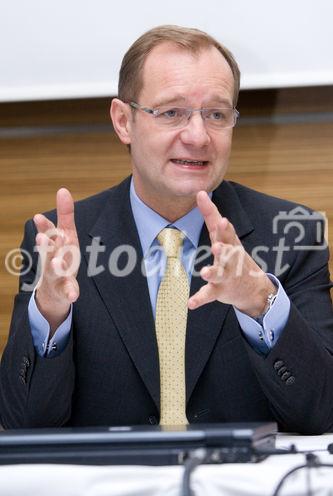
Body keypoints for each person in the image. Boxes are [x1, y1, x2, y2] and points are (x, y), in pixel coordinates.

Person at [0, 25, 332, 433]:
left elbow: (323, 414)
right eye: (171, 112)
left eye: (216, 114)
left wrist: (262, 303)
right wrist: (49, 313)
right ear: (124, 121)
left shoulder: (291, 235)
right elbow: (21, 426)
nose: (197, 136)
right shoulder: (56, 245)